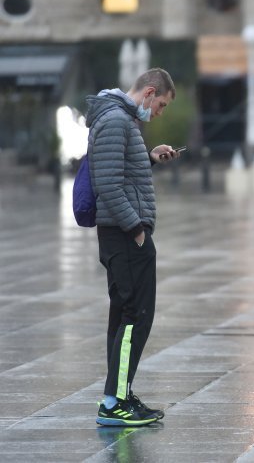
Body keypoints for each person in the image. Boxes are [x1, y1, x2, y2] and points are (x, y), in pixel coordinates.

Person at [86, 68, 179, 426]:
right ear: (150, 91)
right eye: (162, 105)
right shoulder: (115, 120)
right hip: (125, 236)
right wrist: (137, 230)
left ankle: (119, 394)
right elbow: (108, 185)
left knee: (127, 316)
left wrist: (149, 158)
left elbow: (122, 174)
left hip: (125, 234)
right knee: (132, 317)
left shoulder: (122, 120)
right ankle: (113, 404)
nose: (159, 112)